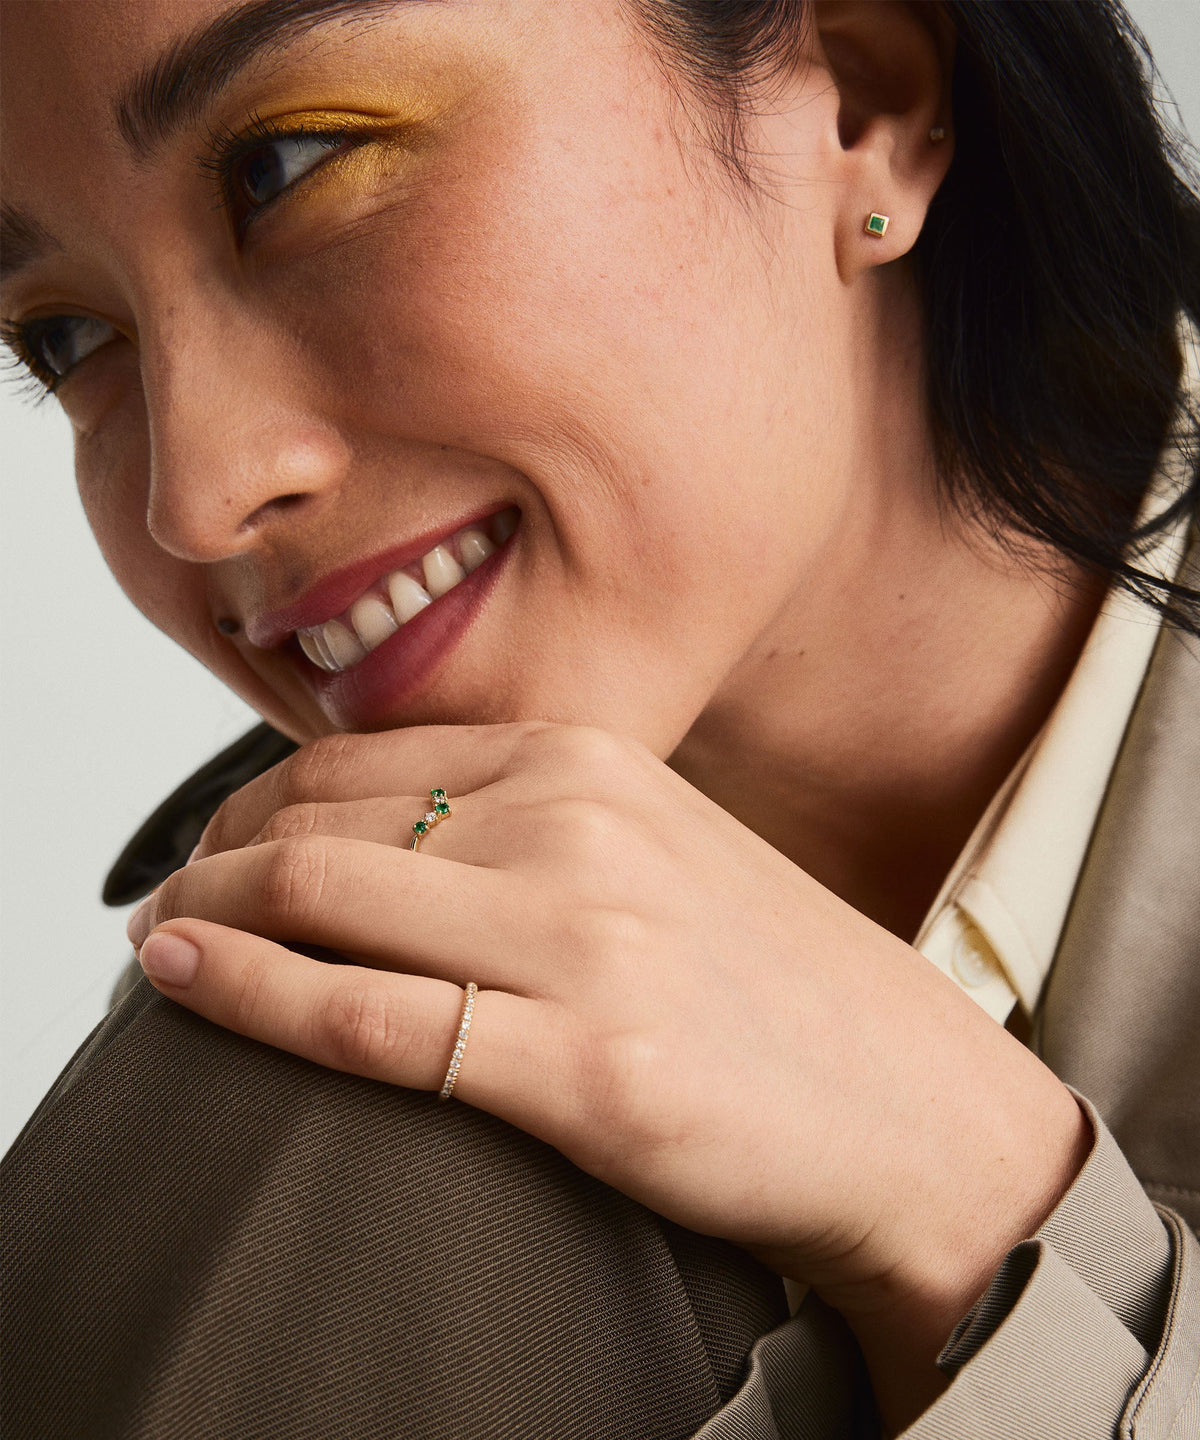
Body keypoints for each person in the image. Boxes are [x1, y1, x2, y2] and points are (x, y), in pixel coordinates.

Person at [2, 1, 1197, 1436]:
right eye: (67, 338)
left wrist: (983, 1206)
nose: (193, 495)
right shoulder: (307, 1024)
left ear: (863, 97)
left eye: (292, 163)